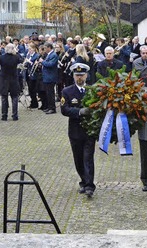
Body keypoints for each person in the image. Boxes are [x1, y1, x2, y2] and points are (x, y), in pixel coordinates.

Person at [61, 63, 96, 197]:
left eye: (81, 75)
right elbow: (64, 110)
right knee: (78, 159)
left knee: (88, 157)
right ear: (73, 76)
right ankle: (83, 181)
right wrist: (80, 111)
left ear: (86, 75)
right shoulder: (67, 91)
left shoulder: (92, 90)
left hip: (89, 130)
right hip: (75, 131)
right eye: (77, 75)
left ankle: (89, 186)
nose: (79, 78)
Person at [0, 44, 24, 121]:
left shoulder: (1, 57)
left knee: (4, 98)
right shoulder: (16, 57)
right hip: (13, 79)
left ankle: (4, 115)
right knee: (15, 98)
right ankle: (15, 116)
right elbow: (22, 59)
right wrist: (16, 52)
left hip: (4, 79)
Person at [41, 42, 59, 114]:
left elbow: (51, 64)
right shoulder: (49, 54)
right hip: (46, 77)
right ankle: (49, 107)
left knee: (50, 93)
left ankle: (52, 108)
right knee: (48, 93)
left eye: (45, 48)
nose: (44, 50)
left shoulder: (53, 55)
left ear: (49, 47)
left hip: (50, 77)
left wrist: (42, 62)